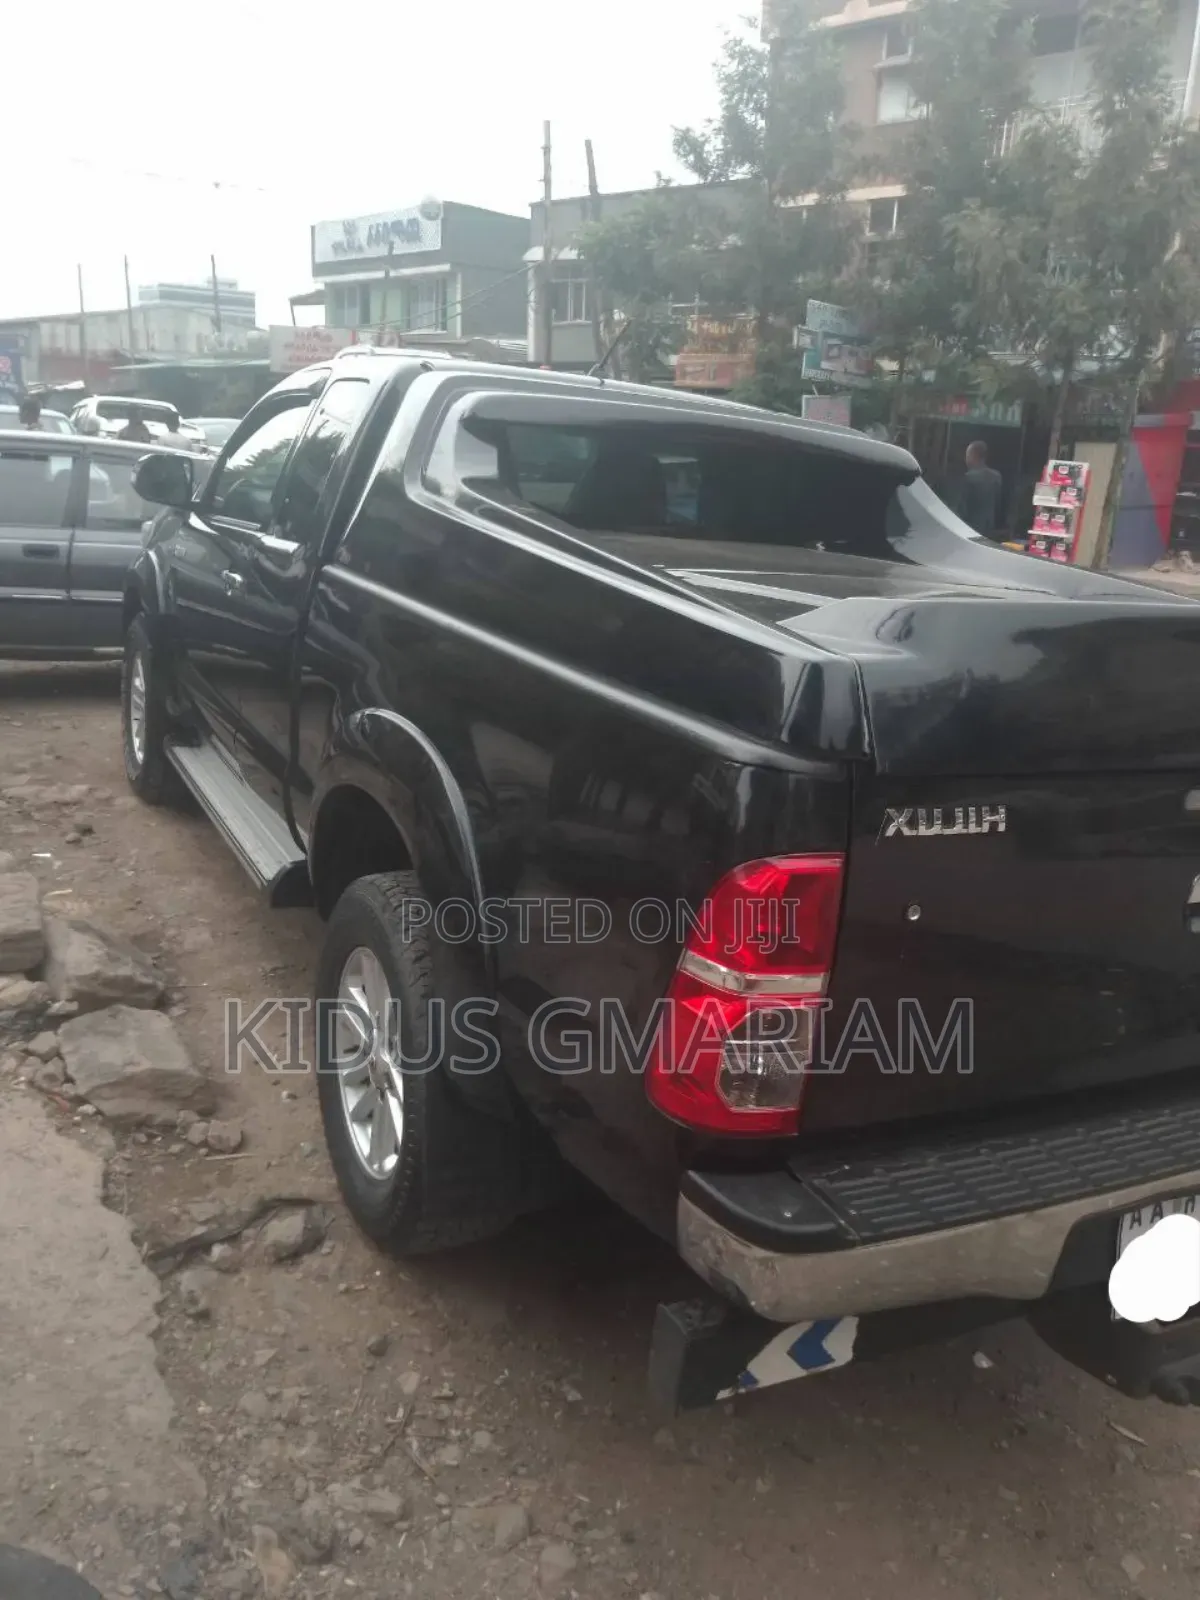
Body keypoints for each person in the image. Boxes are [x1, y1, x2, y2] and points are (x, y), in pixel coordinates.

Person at [958, 440, 1004, 536]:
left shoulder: (968, 477)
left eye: (967, 455)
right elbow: (998, 505)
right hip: (989, 528)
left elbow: (963, 508)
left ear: (973, 456)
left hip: (970, 528)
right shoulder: (997, 476)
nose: (965, 459)